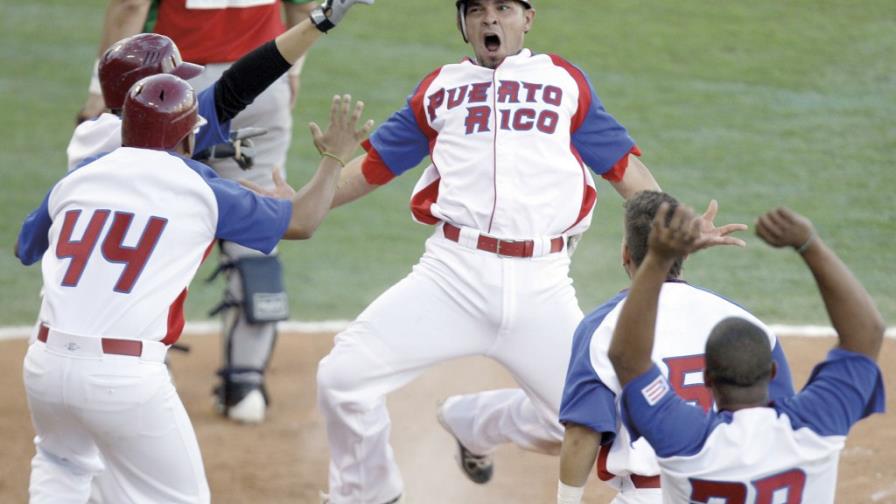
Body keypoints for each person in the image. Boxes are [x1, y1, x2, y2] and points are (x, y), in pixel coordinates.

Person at [314, 1, 744, 502]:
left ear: (527, 18)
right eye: (476, 10)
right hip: (451, 277)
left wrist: (677, 227)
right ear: (463, 24)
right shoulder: (438, 90)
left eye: (504, 8)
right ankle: (368, 493)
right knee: (341, 378)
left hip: (543, 283)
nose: (490, 20)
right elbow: (373, 168)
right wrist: (298, 206)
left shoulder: (564, 83)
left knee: (602, 429)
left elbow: (625, 170)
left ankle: (475, 423)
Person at [15, 74, 372, 503]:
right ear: (187, 138)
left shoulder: (81, 175)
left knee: (62, 465)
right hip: (123, 378)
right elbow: (304, 220)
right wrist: (334, 157)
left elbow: (25, 247)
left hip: (45, 365)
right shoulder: (203, 188)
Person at [67, 0, 373, 424]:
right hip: (267, 71)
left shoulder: (88, 153)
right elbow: (302, 6)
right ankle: (245, 386)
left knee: (149, 223)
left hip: (167, 80)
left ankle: (147, 368)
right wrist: (296, 75)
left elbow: (130, 5)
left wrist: (100, 94)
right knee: (258, 222)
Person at [606, 204, 885, 503]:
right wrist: (808, 243)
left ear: (707, 377)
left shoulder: (686, 438)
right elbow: (867, 333)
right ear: (773, 371)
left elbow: (627, 358)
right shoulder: (815, 424)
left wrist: (658, 260)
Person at [556, 191, 795, 504]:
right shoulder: (744, 322)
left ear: (625, 253)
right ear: (685, 254)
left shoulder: (601, 327)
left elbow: (581, 435)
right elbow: (780, 422)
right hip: (735, 491)